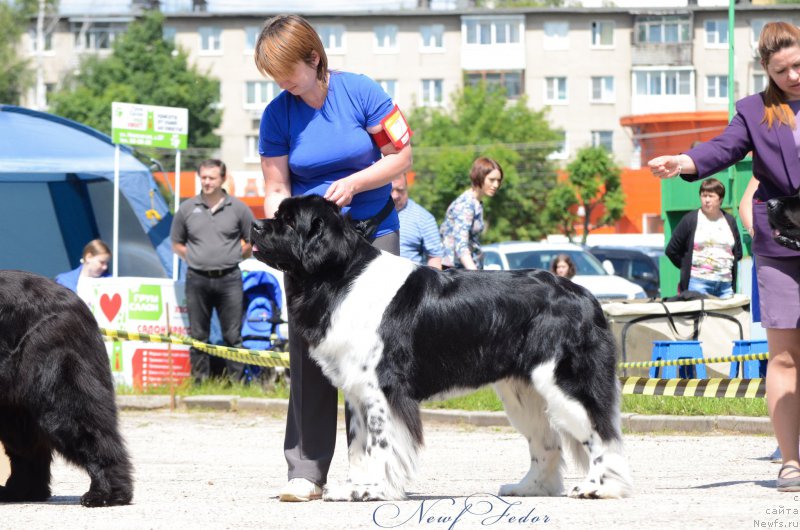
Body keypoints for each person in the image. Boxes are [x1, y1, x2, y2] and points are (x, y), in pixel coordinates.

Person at [255, 14, 413, 502]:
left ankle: (371, 467)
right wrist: (284, 235)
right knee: (310, 354)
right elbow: (277, 187)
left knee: (371, 354)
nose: (281, 82)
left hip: (372, 236)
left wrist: (359, 181)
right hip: (311, 251)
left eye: (287, 71)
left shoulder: (361, 92)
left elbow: (401, 156)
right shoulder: (277, 114)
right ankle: (306, 469)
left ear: (314, 58)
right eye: (272, 73)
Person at [648, 21, 800, 491]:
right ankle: (791, 462)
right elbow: (722, 148)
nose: (793, 76)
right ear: (766, 71)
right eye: (782, 70)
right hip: (781, 244)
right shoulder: (754, 112)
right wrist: (684, 162)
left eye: (798, 65)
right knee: (785, 359)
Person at [170, 159, 255, 385]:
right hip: (196, 279)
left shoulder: (238, 208)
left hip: (230, 279)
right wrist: (193, 257)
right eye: (203, 177)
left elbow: (253, 239)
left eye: (212, 178)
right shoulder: (187, 208)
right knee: (198, 336)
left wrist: (239, 254)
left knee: (232, 336)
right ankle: (200, 383)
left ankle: (238, 384)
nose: (207, 182)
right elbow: (176, 243)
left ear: (222, 179)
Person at [664, 178, 742, 299]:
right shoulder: (690, 220)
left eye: (711, 196)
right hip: (698, 283)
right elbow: (671, 250)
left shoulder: (730, 221)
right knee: (700, 318)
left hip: (725, 285)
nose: (706, 200)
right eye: (703, 195)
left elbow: (738, 253)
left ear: (720, 199)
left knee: (726, 317)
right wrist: (687, 266)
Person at [439, 157, 503, 270]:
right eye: (492, 180)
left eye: (498, 180)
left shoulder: (475, 202)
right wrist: (475, 276)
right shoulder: (466, 205)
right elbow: (461, 246)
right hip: (458, 273)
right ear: (479, 177)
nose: (496, 185)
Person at [391, 172, 443, 269]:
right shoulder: (372, 213)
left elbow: (435, 258)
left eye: (400, 190)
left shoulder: (424, 218)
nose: (395, 196)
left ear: (407, 188)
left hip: (411, 281)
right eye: (391, 190)